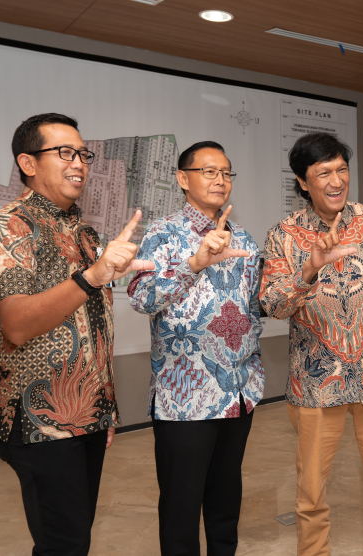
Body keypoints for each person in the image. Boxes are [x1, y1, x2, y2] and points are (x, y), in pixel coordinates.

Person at [0, 113, 153, 556]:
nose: (79, 163)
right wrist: (93, 275)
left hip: (86, 415)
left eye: (83, 154)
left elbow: (94, 331)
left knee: (72, 541)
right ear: (28, 163)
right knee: (63, 544)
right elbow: (16, 324)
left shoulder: (84, 232)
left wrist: (104, 408)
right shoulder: (9, 225)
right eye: (65, 153)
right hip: (38, 420)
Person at [260, 132, 363, 556]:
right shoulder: (283, 235)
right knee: (311, 493)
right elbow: (273, 305)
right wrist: (308, 271)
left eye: (341, 169)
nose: (336, 180)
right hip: (316, 382)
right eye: (324, 173)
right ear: (303, 182)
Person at [128, 141, 263, 556]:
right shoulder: (162, 233)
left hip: (239, 390)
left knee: (226, 501)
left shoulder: (242, 236)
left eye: (226, 172)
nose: (220, 179)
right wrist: (193, 264)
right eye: (209, 171)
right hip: (185, 394)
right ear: (182, 179)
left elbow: (258, 305)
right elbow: (141, 297)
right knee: (182, 506)